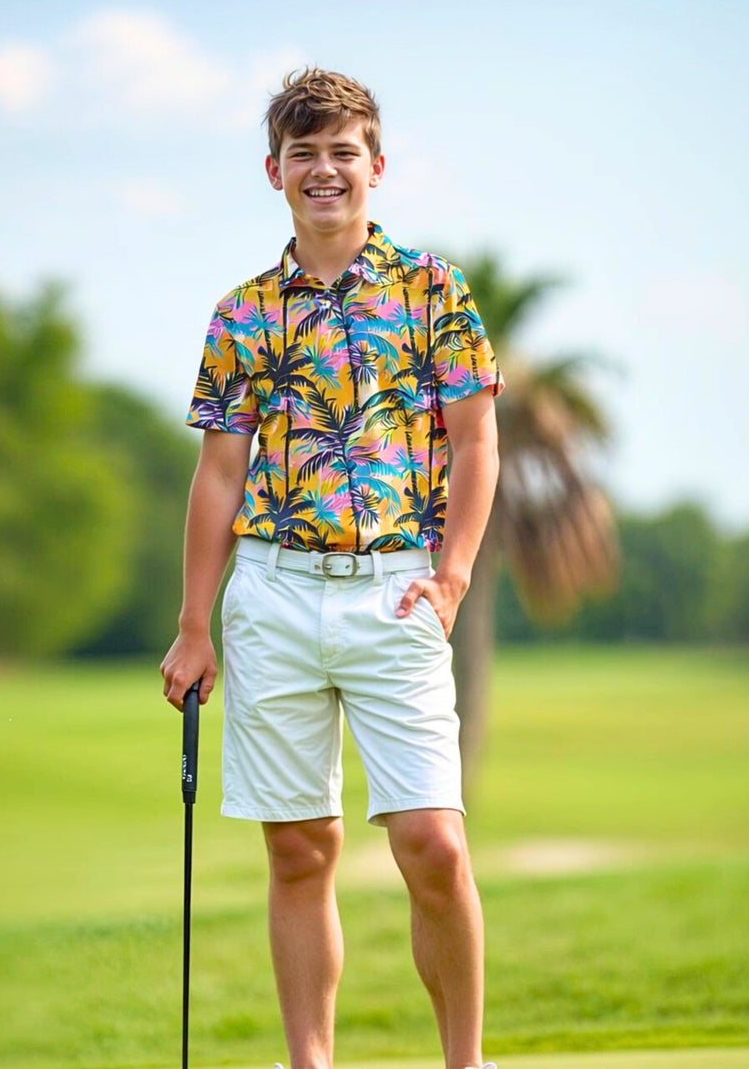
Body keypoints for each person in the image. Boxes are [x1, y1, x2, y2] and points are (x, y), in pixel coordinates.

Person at [161, 67, 502, 1069]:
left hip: (396, 588)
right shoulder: (243, 312)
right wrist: (195, 622)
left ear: (375, 166)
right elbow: (220, 475)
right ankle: (308, 1062)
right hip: (272, 592)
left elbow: (476, 443)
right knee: (300, 848)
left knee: (432, 845)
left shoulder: (433, 290)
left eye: (341, 152)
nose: (324, 169)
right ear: (274, 171)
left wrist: (453, 578)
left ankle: (462, 1062)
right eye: (303, 153)